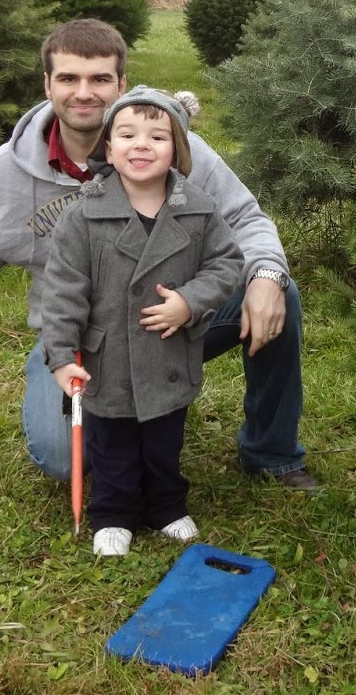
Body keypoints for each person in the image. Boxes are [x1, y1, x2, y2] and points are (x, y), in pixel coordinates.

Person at [0, 18, 320, 492]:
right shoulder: (18, 166)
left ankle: (270, 451)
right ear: (48, 84)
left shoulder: (170, 146)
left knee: (278, 290)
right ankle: (128, 408)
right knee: (66, 461)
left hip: (174, 318)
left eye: (100, 79)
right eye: (68, 78)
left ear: (121, 83)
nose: (84, 93)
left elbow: (246, 221)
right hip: (83, 338)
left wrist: (267, 276)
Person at [43, 88, 243, 556]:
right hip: (107, 355)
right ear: (107, 148)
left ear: (178, 150)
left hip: (170, 351)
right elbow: (63, 294)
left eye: (158, 136)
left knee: (163, 439)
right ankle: (112, 513)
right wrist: (59, 357)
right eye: (127, 134)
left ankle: (166, 505)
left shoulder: (198, 208)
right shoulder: (83, 216)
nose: (141, 145)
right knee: (111, 441)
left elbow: (226, 264)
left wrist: (190, 302)